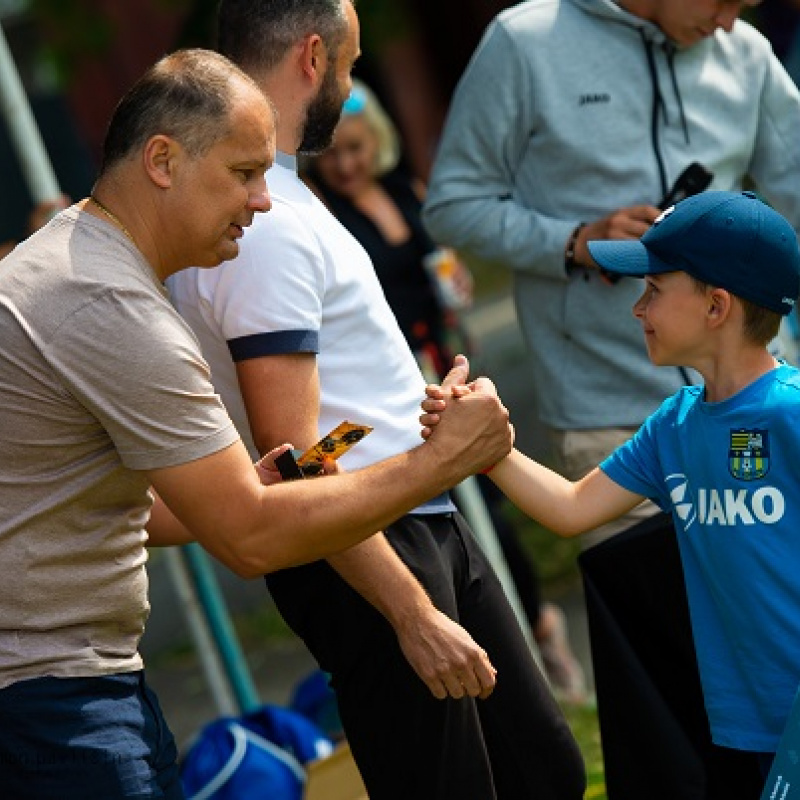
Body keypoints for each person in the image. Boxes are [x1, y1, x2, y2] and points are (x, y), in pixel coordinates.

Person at [0, 48, 515, 800]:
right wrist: (442, 462)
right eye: (244, 173)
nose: (264, 201)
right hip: (47, 696)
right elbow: (250, 539)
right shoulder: (111, 307)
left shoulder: (79, 265)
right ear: (163, 160)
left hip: (60, 680)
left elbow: (84, 495)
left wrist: (243, 486)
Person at [167, 2, 586, 798]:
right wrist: (409, 611)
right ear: (314, 58)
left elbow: (324, 429)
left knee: (544, 773)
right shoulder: (263, 220)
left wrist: (409, 414)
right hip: (375, 547)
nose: (354, 82)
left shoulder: (279, 196)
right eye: (354, 64)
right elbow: (296, 463)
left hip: (413, 518)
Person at [422, 190, 800, 795]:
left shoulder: (791, 413)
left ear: (716, 306)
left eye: (652, 290)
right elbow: (572, 509)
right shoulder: (674, 426)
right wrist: (485, 444)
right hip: (752, 721)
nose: (636, 309)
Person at [422, 0, 800, 550]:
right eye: (724, 1)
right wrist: (573, 241)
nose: (728, 22)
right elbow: (451, 205)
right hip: (609, 415)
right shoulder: (525, 41)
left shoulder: (746, 51)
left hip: (753, 402)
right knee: (654, 632)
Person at [303, 77, 586, 701]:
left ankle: (539, 629)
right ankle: (466, 646)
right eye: (333, 155)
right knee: (407, 504)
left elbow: (448, 271)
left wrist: (456, 313)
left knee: (496, 507)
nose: (346, 165)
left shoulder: (408, 191)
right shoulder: (323, 219)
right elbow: (305, 450)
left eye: (356, 149)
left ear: (376, 142)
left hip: (436, 371)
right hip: (377, 393)